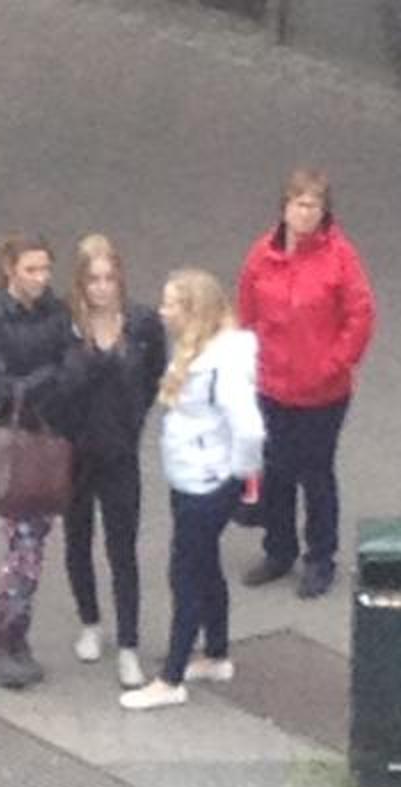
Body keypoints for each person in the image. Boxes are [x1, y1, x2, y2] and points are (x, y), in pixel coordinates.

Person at [120, 269, 265, 713]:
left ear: (193, 311)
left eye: (171, 304)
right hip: (193, 476)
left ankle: (172, 678)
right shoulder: (204, 351)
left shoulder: (221, 363)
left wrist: (236, 475)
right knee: (204, 566)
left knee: (185, 574)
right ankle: (215, 654)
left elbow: (249, 428)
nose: (162, 312)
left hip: (205, 482)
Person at [235, 165, 376, 600]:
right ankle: (278, 550)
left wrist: (333, 364)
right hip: (272, 385)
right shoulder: (261, 254)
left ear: (325, 212)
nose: (305, 213)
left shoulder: (341, 257)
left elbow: (360, 315)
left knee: (316, 474)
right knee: (276, 471)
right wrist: (251, 358)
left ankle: (320, 558)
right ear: (285, 208)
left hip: (323, 393)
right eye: (299, 204)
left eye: (314, 206)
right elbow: (247, 310)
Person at [0, 231, 80, 691]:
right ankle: (3, 635)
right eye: (31, 269)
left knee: (31, 543)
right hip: (15, 441)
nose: (41, 278)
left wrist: (38, 382)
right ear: (10, 270)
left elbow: (72, 367)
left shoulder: (57, 312)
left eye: (45, 269)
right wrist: (47, 378)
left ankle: (10, 628)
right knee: (25, 548)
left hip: (50, 437)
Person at [62, 232, 166, 688]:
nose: (102, 288)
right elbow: (57, 385)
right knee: (77, 540)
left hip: (120, 453)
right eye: (93, 280)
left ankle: (128, 645)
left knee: (123, 548)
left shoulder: (141, 324)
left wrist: (133, 418)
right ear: (80, 283)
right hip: (74, 452)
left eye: (109, 278)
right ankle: (90, 622)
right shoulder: (66, 327)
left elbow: (155, 375)